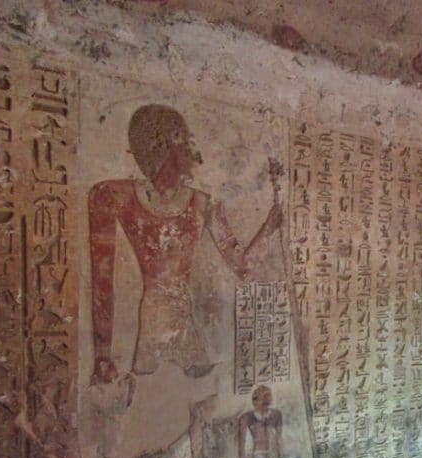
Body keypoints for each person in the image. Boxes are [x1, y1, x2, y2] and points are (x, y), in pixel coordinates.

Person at [88, 104, 282, 384]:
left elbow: (241, 266)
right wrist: (102, 357)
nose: (197, 155)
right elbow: (101, 283)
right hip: (154, 329)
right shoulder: (112, 195)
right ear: (168, 145)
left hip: (187, 330)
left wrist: (268, 228)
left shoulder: (203, 204)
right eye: (189, 142)